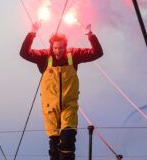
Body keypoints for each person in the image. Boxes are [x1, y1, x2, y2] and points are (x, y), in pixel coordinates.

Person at [20, 23, 103, 160]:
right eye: (56, 48)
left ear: (65, 47)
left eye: (61, 48)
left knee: (67, 143)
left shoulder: (73, 55)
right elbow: (24, 53)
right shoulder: (44, 57)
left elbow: (97, 53)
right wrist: (32, 32)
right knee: (54, 148)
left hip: (69, 106)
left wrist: (89, 34)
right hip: (50, 109)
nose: (58, 51)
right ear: (52, 47)